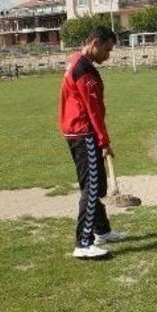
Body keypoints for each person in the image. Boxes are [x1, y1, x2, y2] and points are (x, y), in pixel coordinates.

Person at [59, 26, 127, 259]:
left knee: (97, 186)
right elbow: (93, 110)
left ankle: (102, 230)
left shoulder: (75, 60)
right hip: (84, 132)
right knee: (91, 189)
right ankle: (83, 243)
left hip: (77, 131)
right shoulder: (84, 70)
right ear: (95, 42)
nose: (108, 56)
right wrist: (104, 141)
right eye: (107, 49)